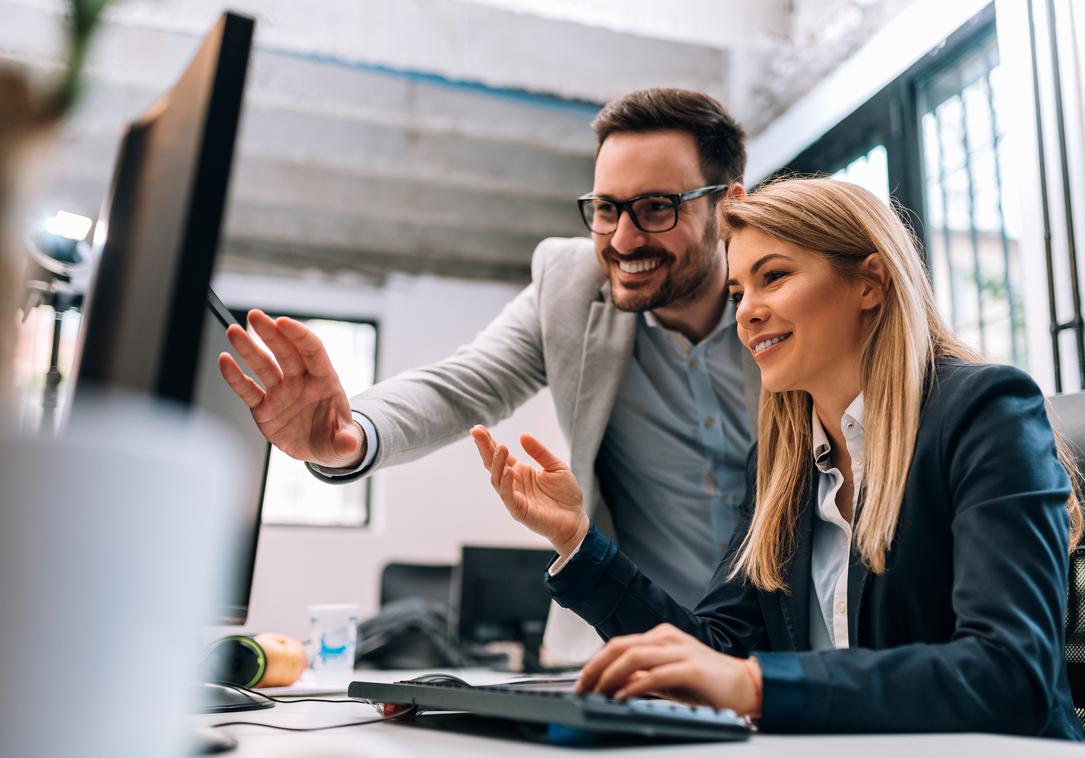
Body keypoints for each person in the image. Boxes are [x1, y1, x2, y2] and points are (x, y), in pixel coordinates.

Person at [469, 176, 1085, 737]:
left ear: (869, 282)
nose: (747, 312)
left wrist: (756, 687)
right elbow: (714, 651)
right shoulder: (779, 463)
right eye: (739, 290)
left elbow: (1009, 673)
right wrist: (578, 541)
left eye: (775, 277)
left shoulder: (986, 413)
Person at [216, 89, 759, 660]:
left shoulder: (789, 300)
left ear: (728, 206)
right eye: (605, 209)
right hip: (633, 645)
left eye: (656, 208)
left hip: (789, 645)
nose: (623, 239)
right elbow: (464, 383)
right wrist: (351, 433)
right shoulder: (571, 286)